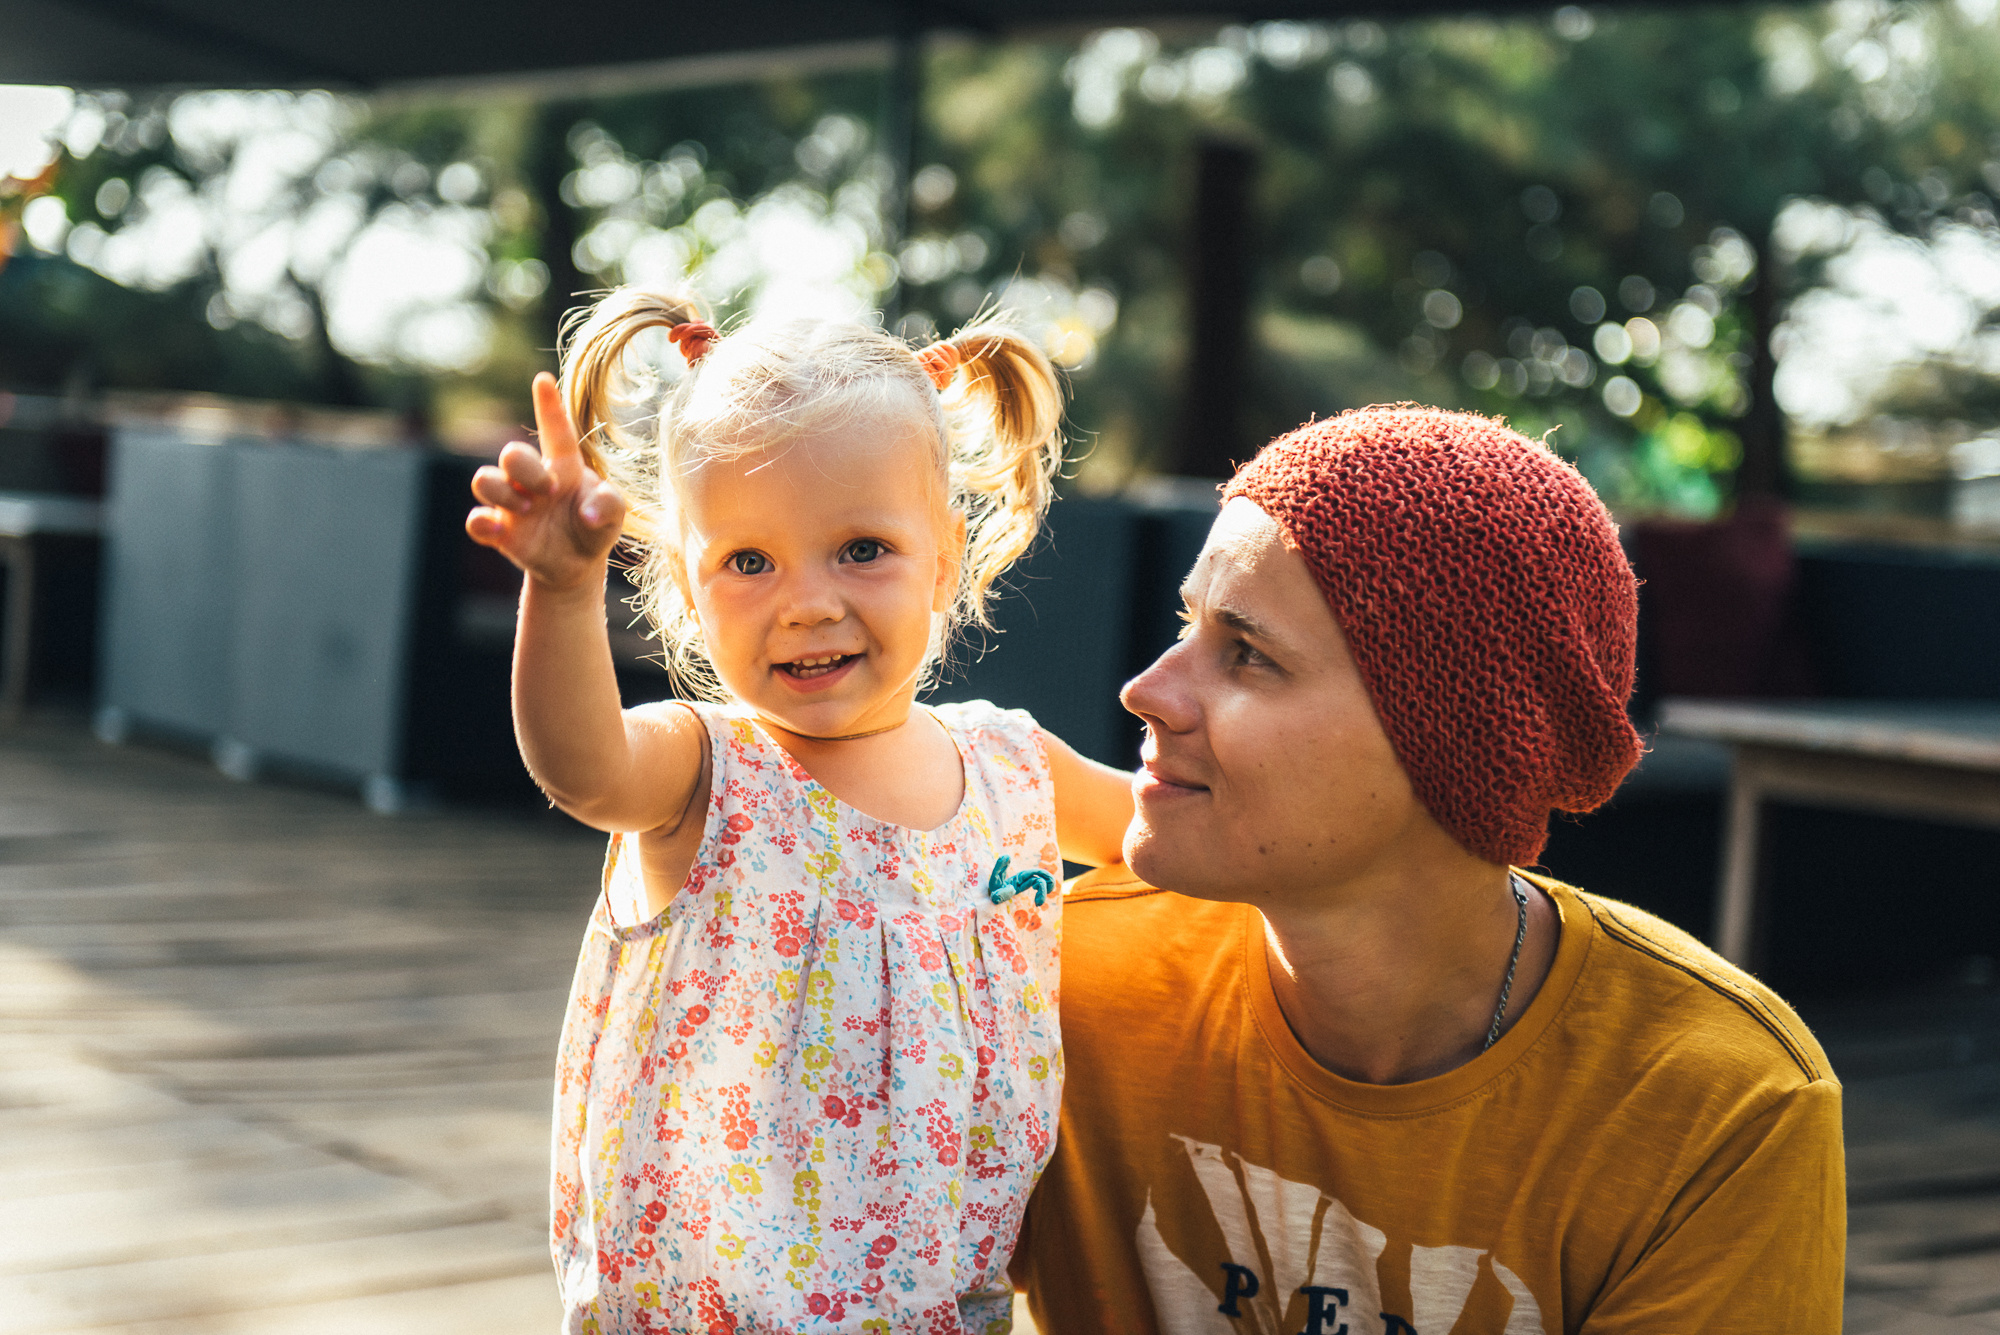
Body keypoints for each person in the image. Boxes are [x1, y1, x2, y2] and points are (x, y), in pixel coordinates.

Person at [1013, 406, 1845, 1333]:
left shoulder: (1718, 1109)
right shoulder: (1057, 978)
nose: (1148, 690)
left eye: (1248, 654)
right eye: (1188, 624)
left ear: (1448, 745)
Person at [465, 291, 1134, 1333]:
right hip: (713, 1308)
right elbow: (581, 768)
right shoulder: (707, 769)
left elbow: (1168, 835)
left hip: (945, 1303)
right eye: (747, 562)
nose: (807, 602)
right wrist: (560, 589)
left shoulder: (1013, 767)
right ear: (686, 590)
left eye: (860, 549)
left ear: (945, 558)